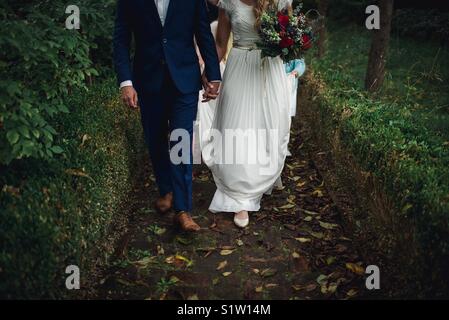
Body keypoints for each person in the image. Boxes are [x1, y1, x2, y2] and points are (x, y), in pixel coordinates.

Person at [113, 0, 221, 232]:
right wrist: (125, 82)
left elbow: (203, 33)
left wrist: (213, 74)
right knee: (155, 139)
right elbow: (121, 39)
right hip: (147, 78)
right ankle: (166, 190)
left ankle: (183, 210)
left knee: (180, 140)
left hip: (184, 80)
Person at [200, 0, 293, 228]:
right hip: (239, 65)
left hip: (269, 69)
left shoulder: (279, 1)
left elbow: (289, 38)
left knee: (268, 127)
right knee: (236, 129)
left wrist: (292, 43)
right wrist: (208, 74)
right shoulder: (228, 3)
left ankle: (261, 177)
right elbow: (221, 44)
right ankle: (240, 197)